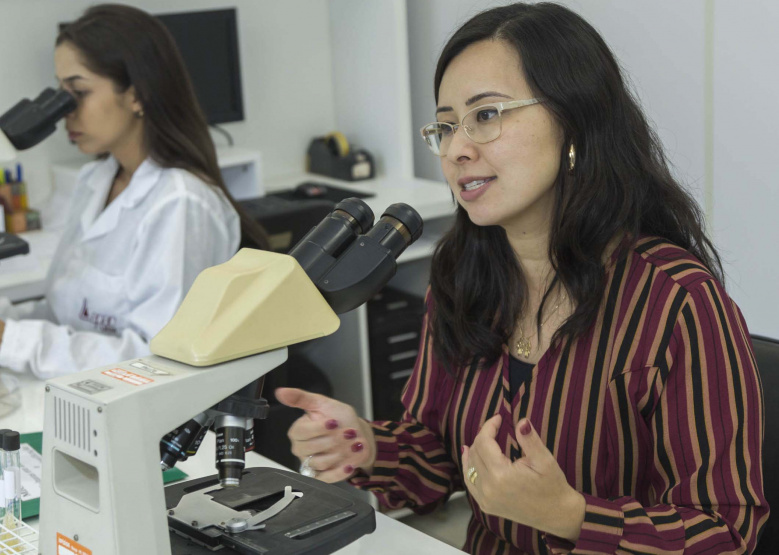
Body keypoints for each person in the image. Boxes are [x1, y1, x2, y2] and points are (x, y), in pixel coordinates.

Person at [277, 3, 768, 553]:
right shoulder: (462, 277)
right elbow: (440, 455)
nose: (458, 148)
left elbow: (726, 531)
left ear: (574, 122)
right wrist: (365, 445)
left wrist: (572, 517)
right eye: (444, 126)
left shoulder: (676, 301)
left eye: (486, 115)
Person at [0, 4, 267, 379]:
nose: (63, 114)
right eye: (59, 94)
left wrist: (11, 340)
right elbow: (68, 315)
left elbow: (158, 361)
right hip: (88, 397)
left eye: (78, 92)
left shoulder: (181, 202)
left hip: (151, 421)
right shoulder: (96, 181)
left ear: (136, 95)